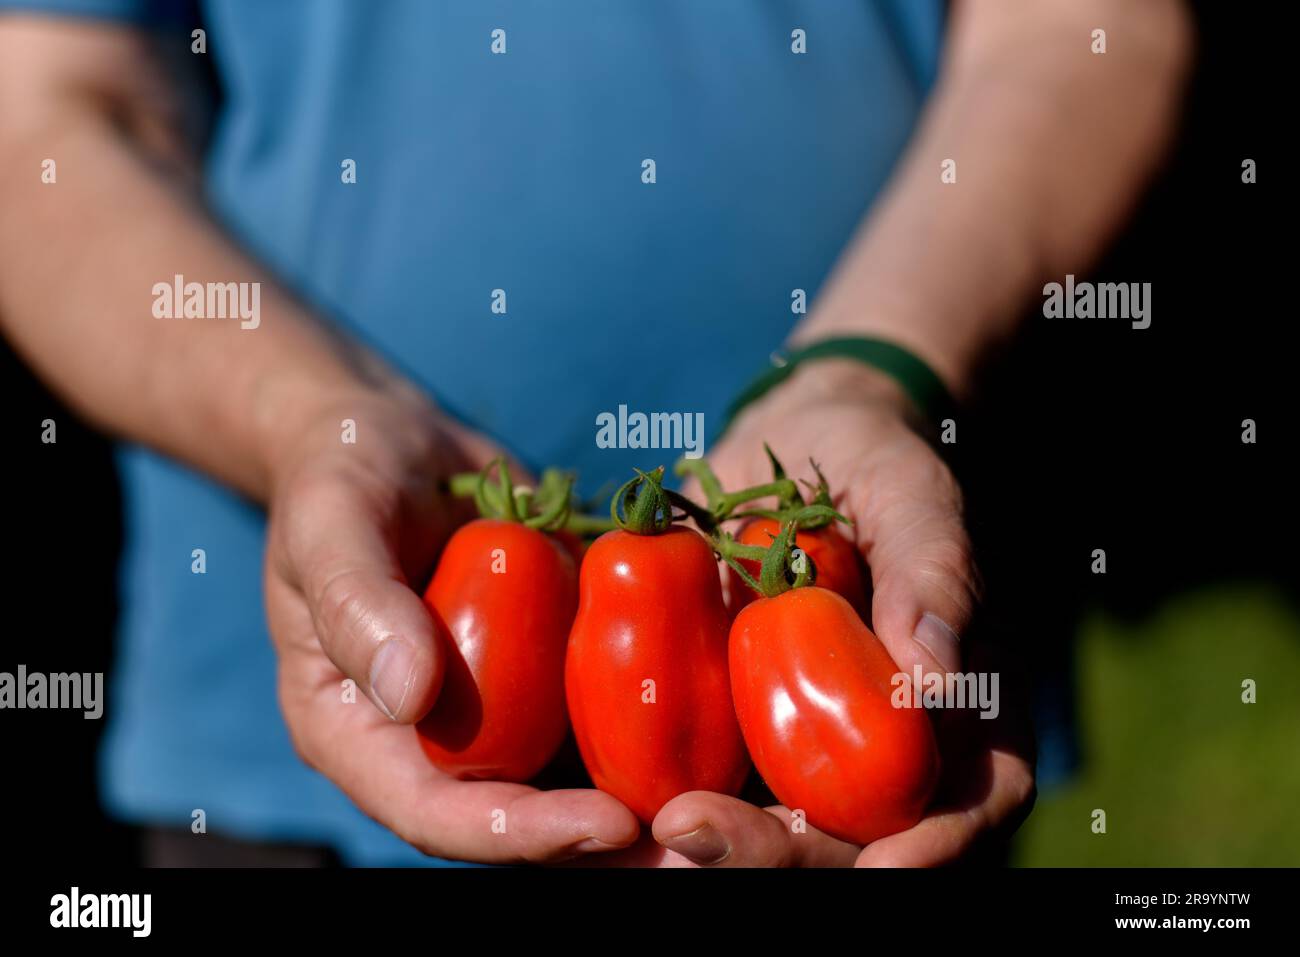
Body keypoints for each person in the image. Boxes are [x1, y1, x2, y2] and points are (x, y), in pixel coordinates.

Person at [0, 0, 1191, 867]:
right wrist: (306, 419)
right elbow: (42, 120)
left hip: (893, 610)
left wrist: (871, 370)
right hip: (260, 770)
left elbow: (1086, 26)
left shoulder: (772, 582)